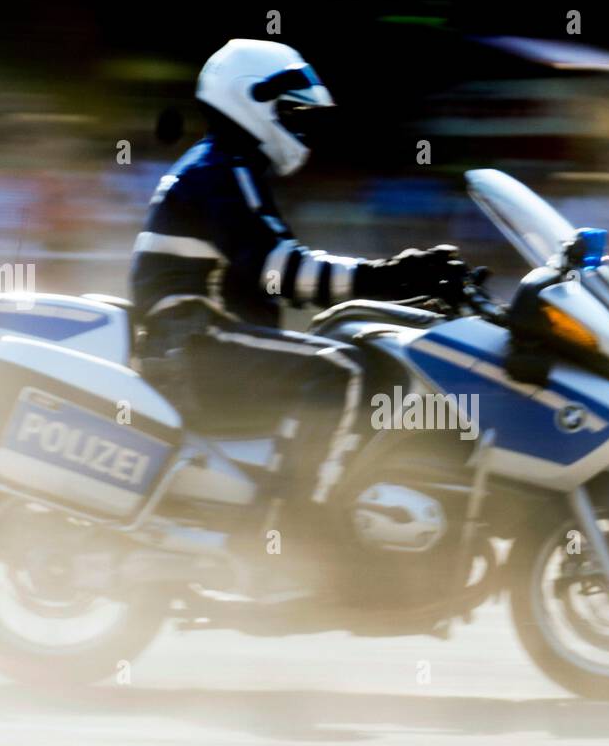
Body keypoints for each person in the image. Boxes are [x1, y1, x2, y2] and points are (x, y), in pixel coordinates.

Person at [130, 38, 463, 517]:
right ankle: (300, 523)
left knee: (351, 348)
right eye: (293, 113)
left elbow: (284, 270)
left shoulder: (224, 167)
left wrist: (401, 291)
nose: (301, 128)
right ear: (253, 99)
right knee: (345, 370)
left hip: (194, 344)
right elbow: (281, 271)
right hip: (197, 345)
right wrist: (394, 276)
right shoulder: (221, 170)